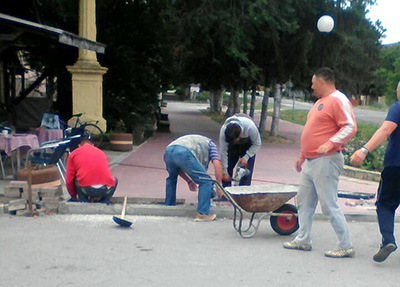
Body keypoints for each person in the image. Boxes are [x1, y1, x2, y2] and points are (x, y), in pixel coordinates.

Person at [283, 67, 357, 258]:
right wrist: (302, 155)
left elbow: (350, 126)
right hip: (311, 161)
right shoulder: (320, 103)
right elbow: (312, 131)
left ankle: (345, 244)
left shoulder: (338, 99)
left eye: (313, 82)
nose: (311, 86)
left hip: (326, 160)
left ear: (322, 82)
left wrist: (330, 143)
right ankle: (303, 239)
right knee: (304, 202)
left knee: (328, 204)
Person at [350, 81, 400, 263]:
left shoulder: (398, 107)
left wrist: (364, 150)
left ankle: (388, 240)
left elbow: (386, 129)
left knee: (385, 204)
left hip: (396, 166)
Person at [163, 134, 223, 221]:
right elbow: (217, 164)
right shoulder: (211, 145)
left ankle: (168, 207)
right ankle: (202, 213)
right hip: (184, 151)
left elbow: (178, 168)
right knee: (205, 181)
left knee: (172, 177)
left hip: (168, 151)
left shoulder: (197, 145)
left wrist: (189, 181)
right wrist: (219, 185)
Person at [66, 137, 117, 204]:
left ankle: (83, 201)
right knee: (114, 179)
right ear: (92, 145)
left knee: (76, 178)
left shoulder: (73, 154)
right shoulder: (101, 153)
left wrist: (73, 196)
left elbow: (69, 179)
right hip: (105, 189)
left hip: (86, 189)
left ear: (79, 146)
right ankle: (105, 201)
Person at [219, 113, 261, 189]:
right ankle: (226, 191)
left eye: (236, 140)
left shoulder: (250, 127)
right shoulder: (223, 131)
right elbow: (223, 152)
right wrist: (224, 172)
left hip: (249, 145)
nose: (236, 142)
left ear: (240, 134)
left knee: (245, 170)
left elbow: (257, 143)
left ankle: (243, 192)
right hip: (232, 146)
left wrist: (246, 156)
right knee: (228, 164)